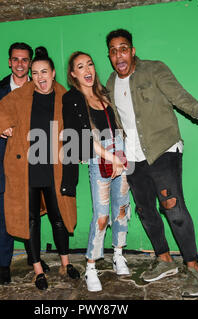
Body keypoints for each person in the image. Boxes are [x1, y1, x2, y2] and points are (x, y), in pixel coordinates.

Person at [104, 29, 198, 297]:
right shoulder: (111, 83)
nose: (118, 55)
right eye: (113, 51)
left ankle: (192, 267)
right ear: (110, 56)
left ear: (132, 51)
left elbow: (178, 95)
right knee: (145, 210)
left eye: (123, 48)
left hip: (162, 149)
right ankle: (163, 259)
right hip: (133, 157)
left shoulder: (154, 69)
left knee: (172, 206)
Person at [0, 46, 80, 290]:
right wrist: (4, 126)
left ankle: (64, 262)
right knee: (31, 221)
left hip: (54, 167)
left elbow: (77, 128)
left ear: (53, 72)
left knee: (59, 218)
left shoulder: (65, 96)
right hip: (26, 169)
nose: (40, 77)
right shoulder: (21, 95)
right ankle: (37, 268)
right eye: (35, 72)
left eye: (44, 71)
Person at [0, 42, 49, 285]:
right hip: (4, 163)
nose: (20, 64)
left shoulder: (38, 87)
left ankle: (33, 257)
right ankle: (5, 265)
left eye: (24, 60)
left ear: (30, 63)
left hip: (31, 162)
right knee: (8, 215)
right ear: (9, 62)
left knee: (32, 212)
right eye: (15, 59)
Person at [62, 51, 130, 292]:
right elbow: (80, 137)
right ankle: (91, 266)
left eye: (89, 64)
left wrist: (122, 156)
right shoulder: (72, 98)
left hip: (120, 153)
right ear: (73, 74)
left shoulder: (104, 94)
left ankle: (118, 254)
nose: (87, 69)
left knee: (121, 210)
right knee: (101, 217)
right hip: (99, 158)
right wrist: (112, 158)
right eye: (80, 66)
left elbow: (119, 127)